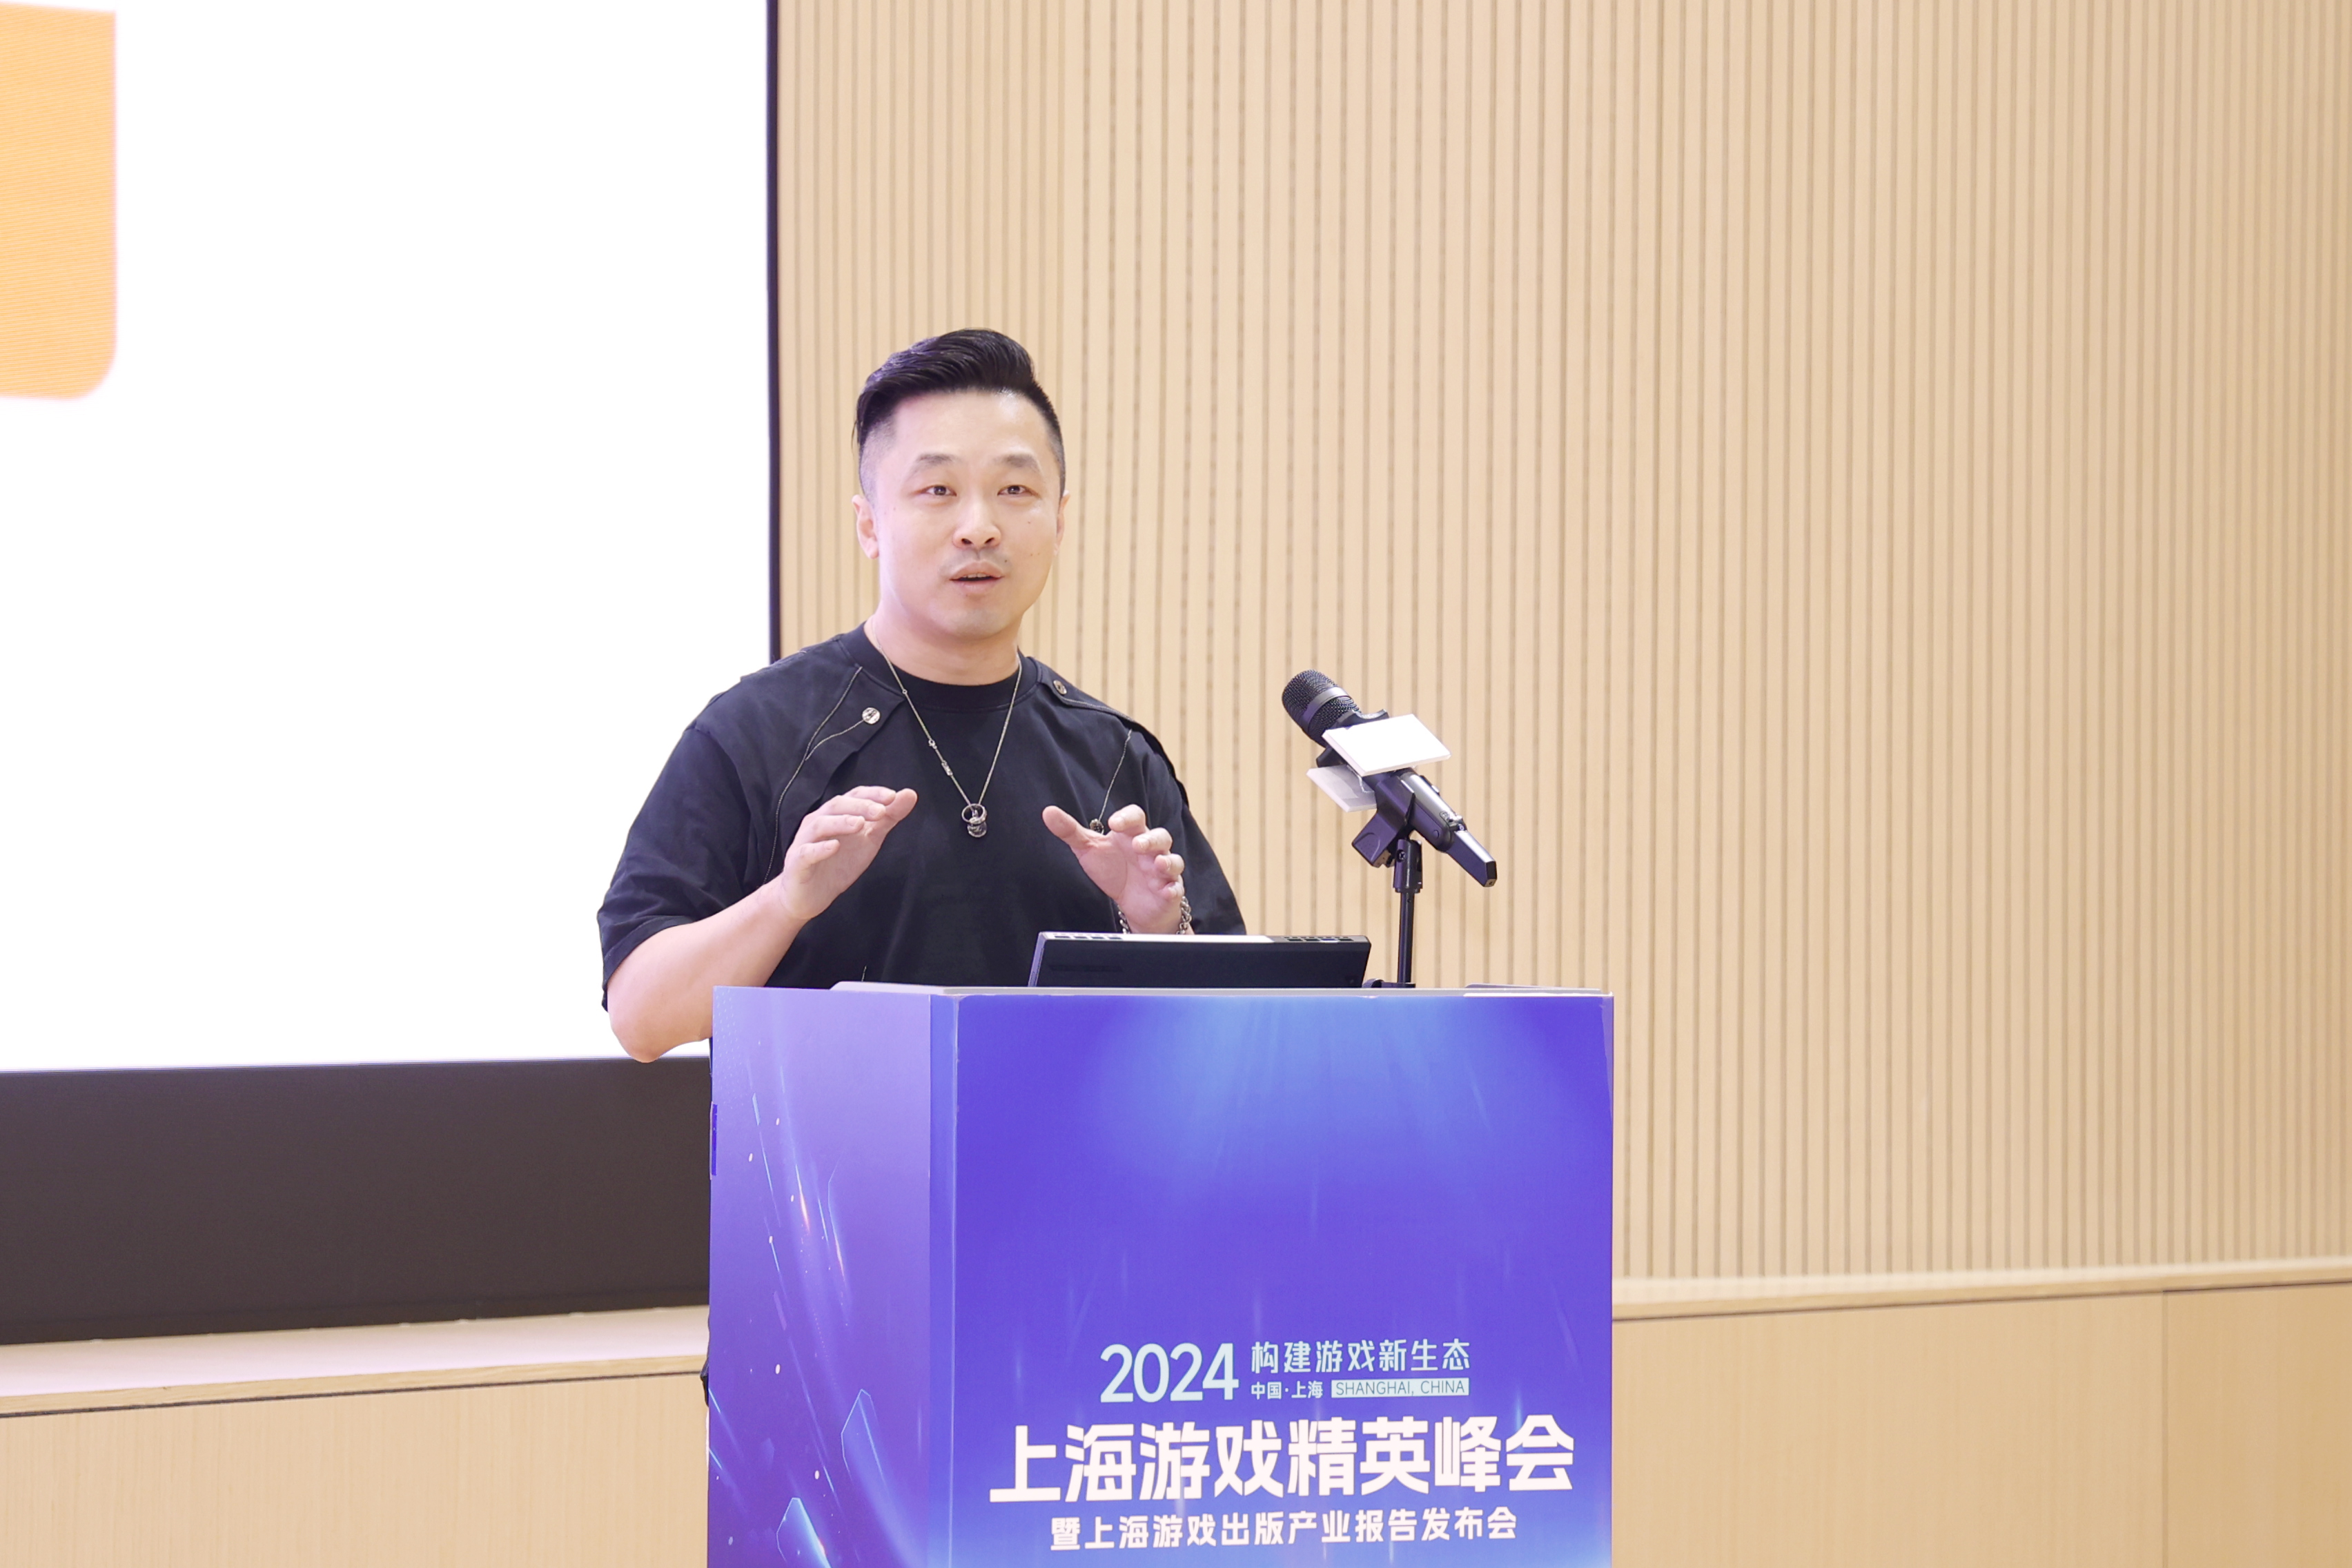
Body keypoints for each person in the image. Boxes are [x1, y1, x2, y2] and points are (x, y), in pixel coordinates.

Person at [598, 329, 1243, 1059]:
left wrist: (1158, 928)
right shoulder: (754, 733)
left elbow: (1229, 1040)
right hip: (829, 1141)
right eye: (938, 490)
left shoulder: (1114, 754)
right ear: (869, 523)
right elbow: (640, 1017)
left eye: (1015, 490)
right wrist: (786, 901)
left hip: (1068, 1141)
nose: (979, 528)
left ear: (1060, 520)